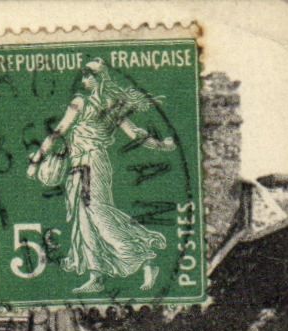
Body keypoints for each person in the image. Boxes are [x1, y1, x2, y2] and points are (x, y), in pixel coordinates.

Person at [27, 58, 177, 293]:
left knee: (97, 213)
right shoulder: (106, 104)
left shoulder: (86, 102)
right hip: (78, 165)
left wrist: (36, 161)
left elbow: (58, 132)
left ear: (99, 79)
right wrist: (161, 145)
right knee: (82, 218)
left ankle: (145, 256)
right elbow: (134, 133)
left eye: (88, 76)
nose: (84, 80)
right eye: (84, 75)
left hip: (91, 163)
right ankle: (96, 275)